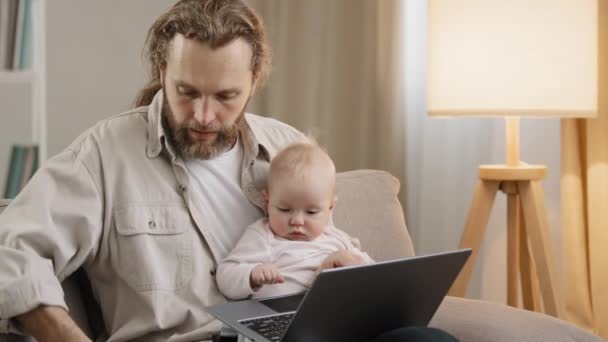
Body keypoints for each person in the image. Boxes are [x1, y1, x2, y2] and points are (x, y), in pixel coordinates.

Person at [0, 1, 457, 341]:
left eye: (225, 96)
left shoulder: (284, 147)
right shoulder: (103, 155)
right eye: (186, 91)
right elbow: (11, 253)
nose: (202, 115)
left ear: (254, 82)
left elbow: (324, 249)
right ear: (162, 70)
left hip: (301, 334)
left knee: (424, 339)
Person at [217, 141, 374, 300]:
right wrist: (252, 274)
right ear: (267, 201)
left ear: (330, 209)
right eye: (284, 210)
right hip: (281, 314)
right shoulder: (263, 235)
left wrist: (351, 260)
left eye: (311, 212)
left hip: (332, 312)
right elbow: (225, 276)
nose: (297, 221)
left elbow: (375, 273)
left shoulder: (337, 239)